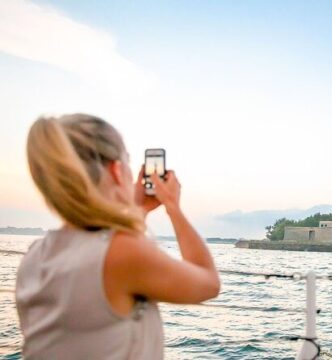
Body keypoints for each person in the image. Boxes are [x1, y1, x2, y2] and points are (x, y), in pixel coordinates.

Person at [16, 114, 220, 359]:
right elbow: (208, 283)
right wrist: (173, 208)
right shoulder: (121, 253)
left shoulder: (35, 256)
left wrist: (138, 209)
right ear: (116, 170)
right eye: (127, 161)